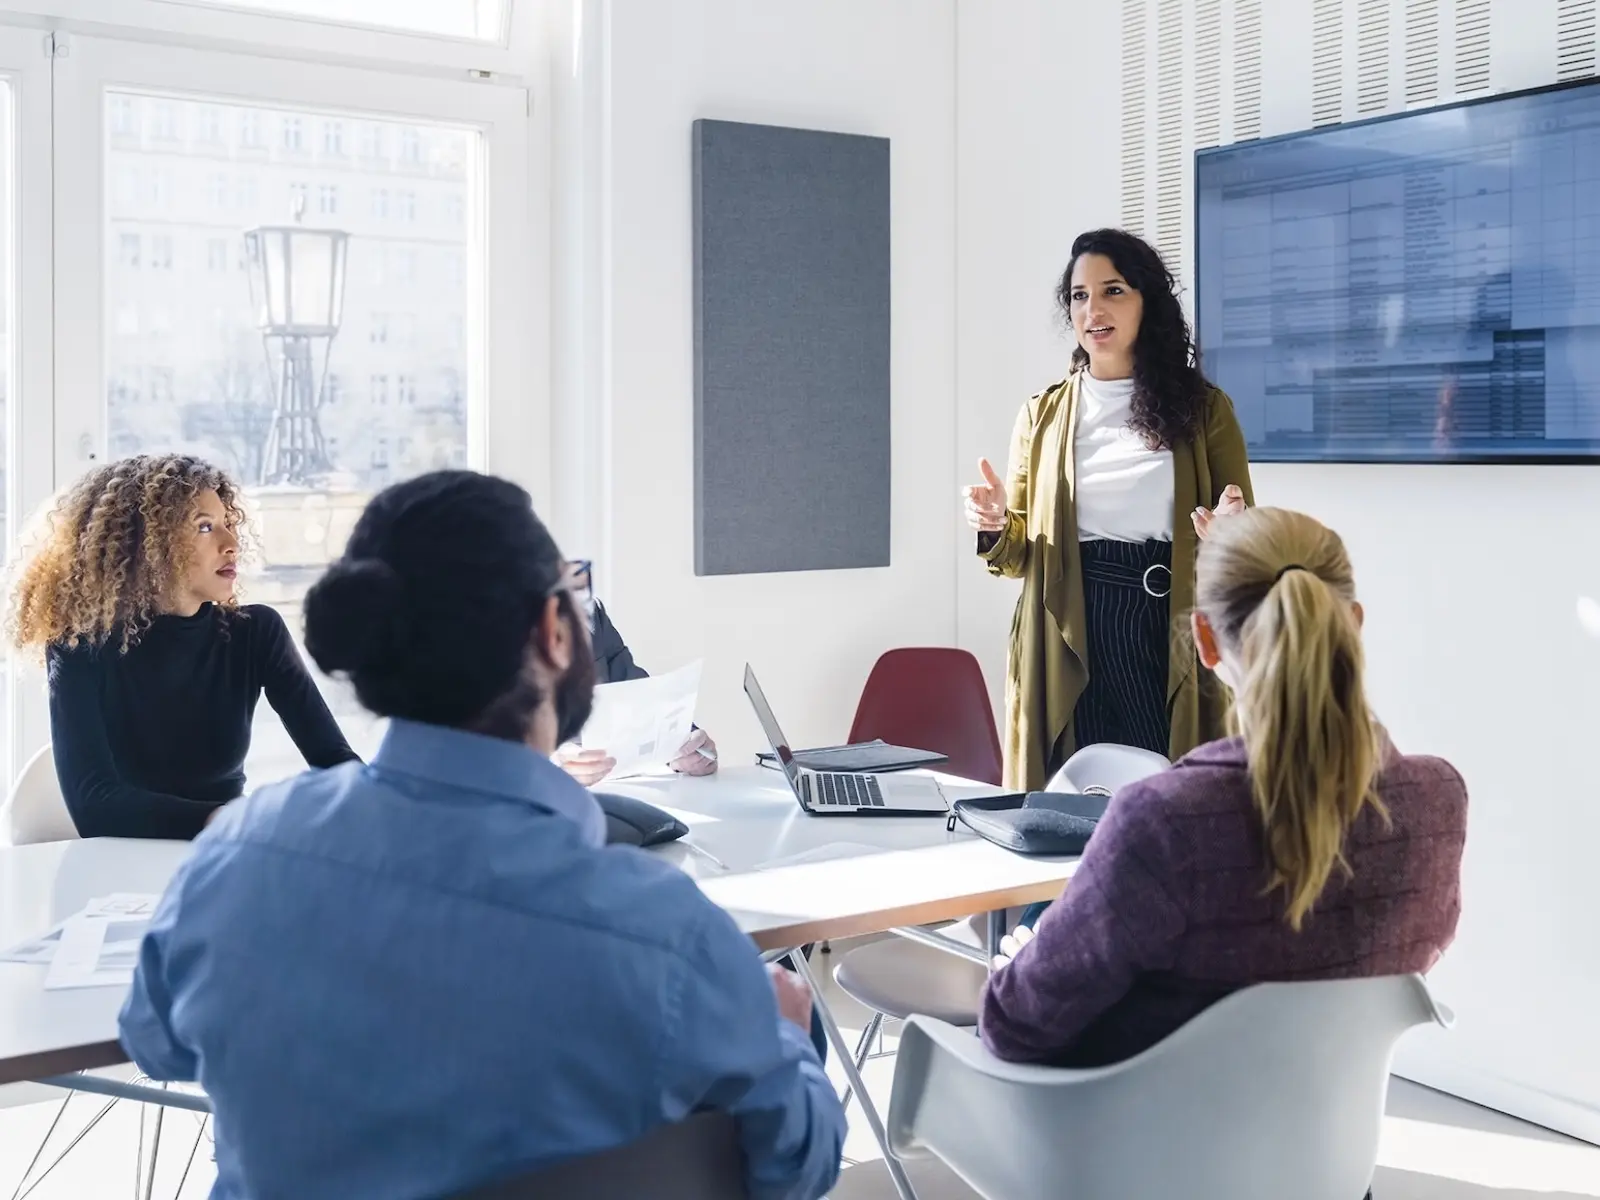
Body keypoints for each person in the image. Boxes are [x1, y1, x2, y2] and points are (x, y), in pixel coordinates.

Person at [118, 470, 845, 1200]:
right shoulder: (666, 934)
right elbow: (800, 1165)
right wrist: (784, 1034)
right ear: (555, 635)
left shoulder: (233, 862)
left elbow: (156, 1040)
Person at [979, 507, 1468, 1083]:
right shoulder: (1436, 800)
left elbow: (1013, 1027)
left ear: (1205, 638)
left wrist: (1023, 968)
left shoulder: (1165, 821)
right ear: (1353, 622)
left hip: (1138, 1159)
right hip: (1327, 1162)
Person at [963, 228, 1255, 793]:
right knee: (1072, 805)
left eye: (1112, 290)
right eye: (1078, 295)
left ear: (1148, 301)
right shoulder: (1042, 415)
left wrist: (1231, 532)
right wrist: (998, 523)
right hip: (1069, 625)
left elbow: (1247, 531)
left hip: (1164, 624)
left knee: (1165, 800)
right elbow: (1019, 556)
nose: (1092, 308)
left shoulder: (1205, 411)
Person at [6, 454, 355, 840]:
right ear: (146, 546)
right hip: (120, 865)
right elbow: (95, 806)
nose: (231, 543)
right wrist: (232, 819)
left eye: (227, 523)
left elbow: (337, 766)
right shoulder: (80, 646)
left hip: (221, 853)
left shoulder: (256, 632)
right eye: (205, 527)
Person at [557, 558, 719, 786]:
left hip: (614, 792)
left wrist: (685, 746)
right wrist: (553, 768)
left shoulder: (587, 613)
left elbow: (639, 697)